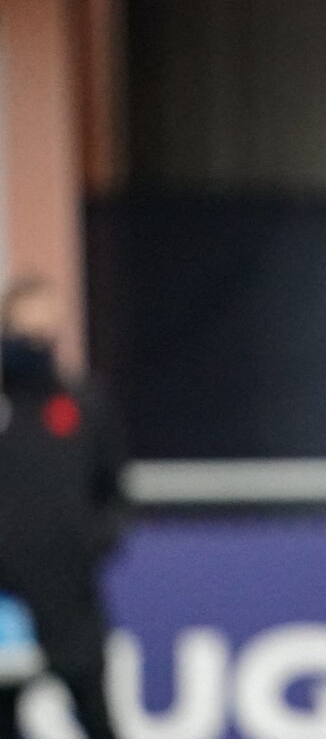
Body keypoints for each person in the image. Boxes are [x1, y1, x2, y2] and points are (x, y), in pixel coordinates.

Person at [0, 277, 125, 739]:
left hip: (70, 605)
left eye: (44, 332)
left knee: (97, 718)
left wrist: (87, 546)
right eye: (22, 331)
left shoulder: (83, 404)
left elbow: (113, 494)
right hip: (4, 610)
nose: (34, 344)